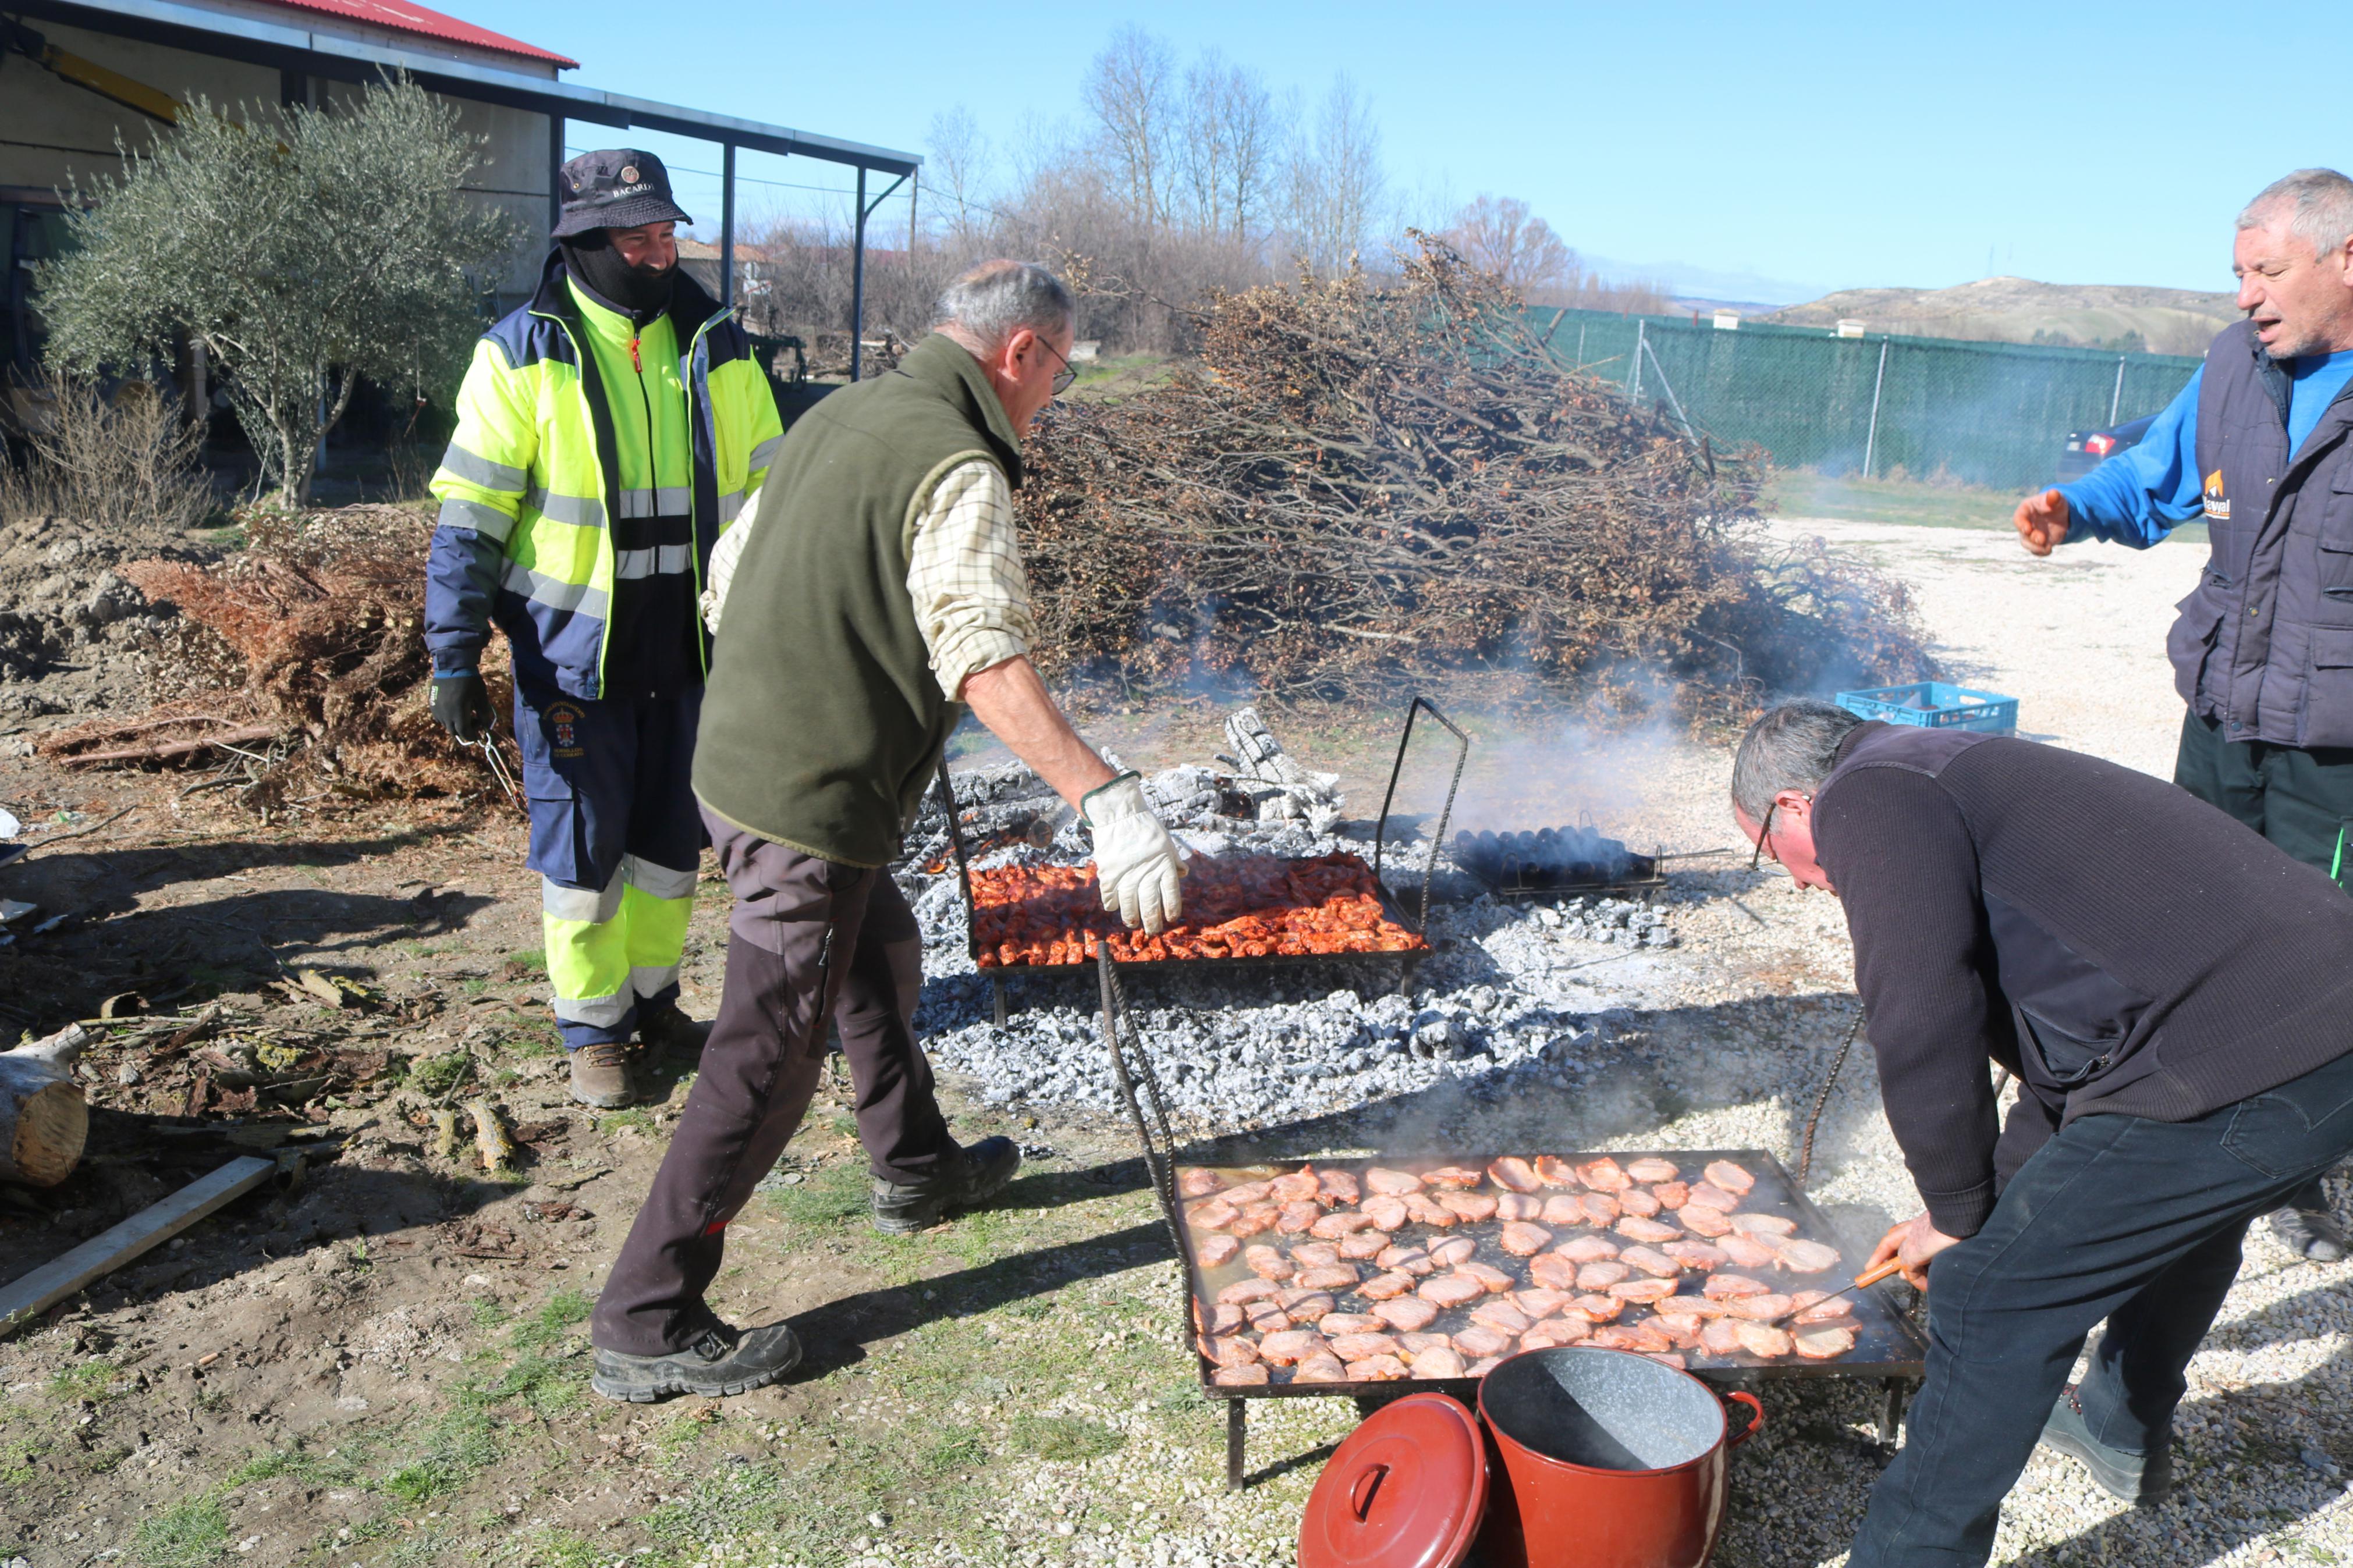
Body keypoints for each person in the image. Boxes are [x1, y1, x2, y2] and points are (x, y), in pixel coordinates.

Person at [584, 261, 1187, 1402]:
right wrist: (1105, 798)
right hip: (802, 796)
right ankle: (646, 1312)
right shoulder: (958, 462)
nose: (1052, 396)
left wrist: (812, 671)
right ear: (1018, 356)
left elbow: (730, 572)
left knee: (876, 954)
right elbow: (981, 657)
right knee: (766, 1052)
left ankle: (915, 1167)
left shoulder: (847, 412)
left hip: (746, 759)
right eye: (1057, 371)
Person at [1732, 700, 2353, 1565]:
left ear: (1793, 805)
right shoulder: (1947, 767)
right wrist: (1975, 1204)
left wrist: (1954, 1216)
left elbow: (1920, 1012)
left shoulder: (1869, 794)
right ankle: (2116, 1426)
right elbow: (2072, 1072)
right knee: (2182, 1212)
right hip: (2320, 1030)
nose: (1798, 880)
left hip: (2259, 1054)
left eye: (1774, 857)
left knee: (1988, 1295)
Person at [2012, 167, 2353, 1261]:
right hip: (2221, 719)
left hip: (2338, 755)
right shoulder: (2229, 369)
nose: (2248, 295)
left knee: (2326, 962)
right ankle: (2180, 1126)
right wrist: (2075, 506)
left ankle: (2304, 1174)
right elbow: (2152, 482)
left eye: (2269, 271)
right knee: (2187, 926)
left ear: (2347, 260)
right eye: (2239, 274)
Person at [425, 150, 785, 1111]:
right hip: (573, 659)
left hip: (696, 653)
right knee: (584, 858)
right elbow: (471, 513)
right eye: (640, 239)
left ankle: (655, 1003)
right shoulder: (521, 354)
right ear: (585, 245)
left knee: (672, 848)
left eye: (669, 235)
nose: (662, 254)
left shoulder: (720, 344)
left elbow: (771, 493)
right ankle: (595, 1029)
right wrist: (452, 652)